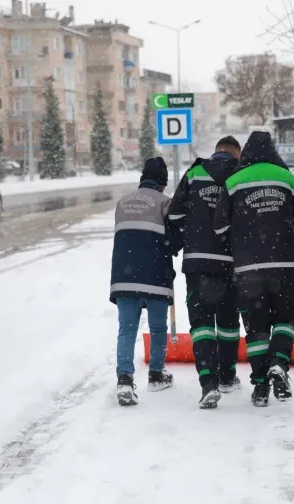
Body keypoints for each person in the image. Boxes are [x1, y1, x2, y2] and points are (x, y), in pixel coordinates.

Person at [213, 131, 294, 407]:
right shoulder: (287, 179)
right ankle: (279, 362)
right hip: (284, 263)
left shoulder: (233, 181)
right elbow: (291, 217)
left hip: (248, 268)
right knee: (287, 317)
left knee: (256, 329)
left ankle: (261, 387)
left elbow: (220, 226)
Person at [167, 136, 243, 409]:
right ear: (237, 154)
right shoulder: (240, 174)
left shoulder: (195, 173)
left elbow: (174, 216)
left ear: (216, 152)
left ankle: (208, 383)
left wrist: (186, 236)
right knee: (228, 324)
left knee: (201, 325)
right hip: (232, 262)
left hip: (198, 262)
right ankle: (227, 376)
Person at [110, 157, 178, 406]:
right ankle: (156, 374)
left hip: (123, 277)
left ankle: (124, 380)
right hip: (155, 276)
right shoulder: (164, 203)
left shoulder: (123, 202)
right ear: (162, 183)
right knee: (158, 327)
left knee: (127, 329)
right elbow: (172, 240)